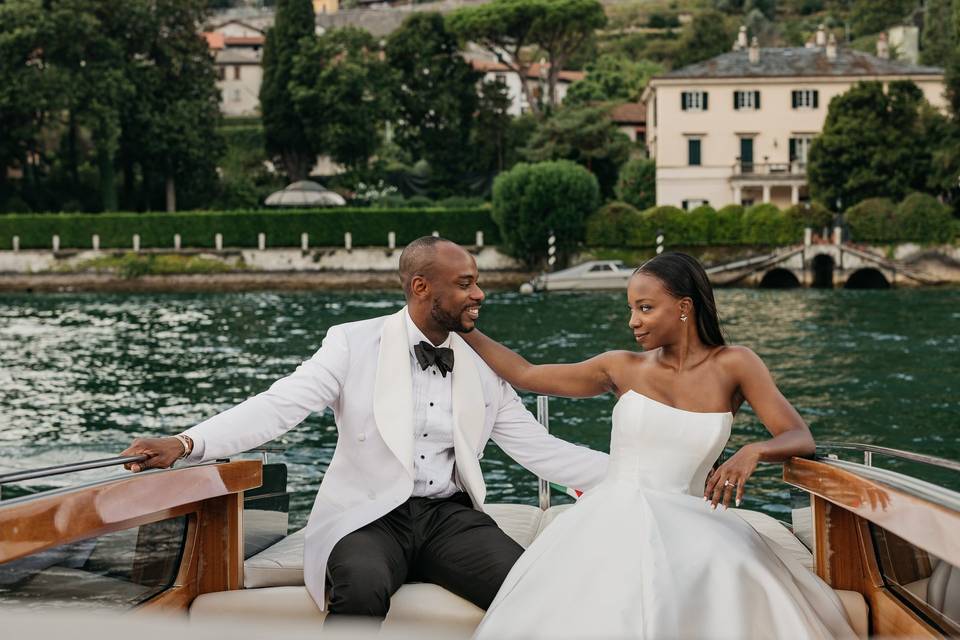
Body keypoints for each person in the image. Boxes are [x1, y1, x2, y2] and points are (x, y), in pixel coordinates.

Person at [119, 236, 607, 620]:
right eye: (464, 283)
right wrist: (187, 442)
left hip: (449, 517)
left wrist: (641, 470)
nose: (479, 293)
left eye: (476, 282)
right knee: (360, 587)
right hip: (368, 515)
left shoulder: (484, 365)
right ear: (421, 287)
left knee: (527, 586)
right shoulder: (351, 343)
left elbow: (539, 449)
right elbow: (279, 406)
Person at [463, 252, 856, 639]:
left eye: (646, 308)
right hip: (611, 517)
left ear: (684, 307)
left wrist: (752, 450)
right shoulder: (621, 366)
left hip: (698, 522)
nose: (633, 321)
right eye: (631, 308)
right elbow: (526, 373)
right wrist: (463, 327)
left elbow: (798, 436)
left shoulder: (736, 364)